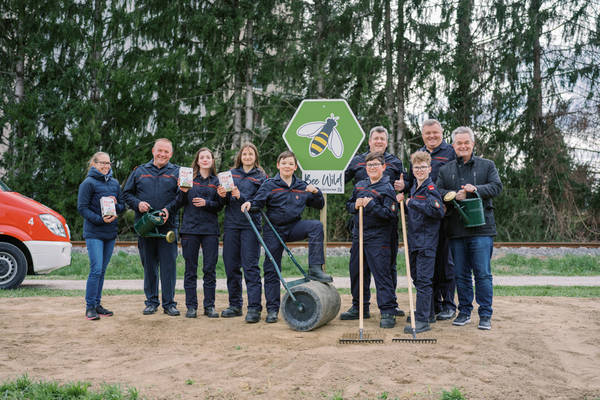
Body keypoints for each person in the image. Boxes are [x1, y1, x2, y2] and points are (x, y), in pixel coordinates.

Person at [241, 150, 332, 324]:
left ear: (295, 167)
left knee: (316, 226)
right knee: (272, 269)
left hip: (293, 227)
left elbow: (319, 204)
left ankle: (315, 268)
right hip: (273, 230)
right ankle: (272, 310)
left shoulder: (302, 185)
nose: (287, 166)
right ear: (278, 165)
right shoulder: (270, 184)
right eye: (284, 163)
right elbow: (258, 203)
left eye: (291, 163)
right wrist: (249, 204)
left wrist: (316, 192)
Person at [436, 127, 502, 330]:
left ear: (473, 144)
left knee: (483, 274)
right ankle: (464, 311)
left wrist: (476, 190)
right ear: (453, 145)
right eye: (459, 143)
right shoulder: (445, 170)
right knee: (461, 275)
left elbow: (496, 187)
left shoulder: (487, 165)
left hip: (482, 229)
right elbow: (438, 190)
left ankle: (485, 314)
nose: (463, 146)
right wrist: (452, 194)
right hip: (456, 230)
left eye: (466, 142)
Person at [345, 126, 407, 317]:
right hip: (361, 227)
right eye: (376, 138)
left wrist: (404, 187)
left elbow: (407, 185)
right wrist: (355, 205)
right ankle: (359, 307)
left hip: (384, 229)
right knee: (357, 270)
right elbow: (341, 183)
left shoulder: (395, 163)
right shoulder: (357, 168)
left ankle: (389, 307)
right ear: (370, 141)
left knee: (385, 268)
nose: (379, 141)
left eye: (382, 139)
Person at [123, 138, 181, 316]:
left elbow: (183, 197)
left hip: (168, 227)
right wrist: (138, 204)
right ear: (153, 151)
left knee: (168, 267)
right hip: (145, 226)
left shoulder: (178, 172)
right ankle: (151, 302)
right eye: (159, 150)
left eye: (166, 151)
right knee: (149, 266)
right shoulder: (139, 171)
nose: (162, 154)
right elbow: (126, 194)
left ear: (171, 154)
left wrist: (168, 209)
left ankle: (169, 304)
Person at [217, 143, 267, 323]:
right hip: (232, 226)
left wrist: (240, 197)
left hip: (250, 227)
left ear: (255, 157)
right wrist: (221, 195)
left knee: (250, 267)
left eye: (250, 154)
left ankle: (254, 308)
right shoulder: (230, 174)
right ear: (240, 156)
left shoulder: (261, 177)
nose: (247, 157)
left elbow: (260, 202)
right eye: (244, 154)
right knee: (231, 267)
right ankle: (235, 305)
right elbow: (222, 204)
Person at [415, 119, 457, 321]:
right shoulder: (419, 154)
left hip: (446, 215)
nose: (432, 136)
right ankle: (433, 305)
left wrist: (449, 198)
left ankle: (449, 304)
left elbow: (458, 178)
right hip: (426, 220)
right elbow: (413, 180)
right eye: (427, 133)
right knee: (428, 264)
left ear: (442, 133)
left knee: (446, 262)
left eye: (435, 133)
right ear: (422, 135)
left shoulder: (451, 152)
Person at [398, 151, 444, 334]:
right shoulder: (414, 188)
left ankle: (423, 320)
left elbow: (438, 211)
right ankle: (428, 312)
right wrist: (404, 203)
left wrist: (412, 203)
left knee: (424, 281)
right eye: (416, 167)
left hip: (426, 242)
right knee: (417, 278)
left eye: (423, 167)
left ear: (429, 169)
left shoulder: (430, 188)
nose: (420, 170)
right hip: (414, 241)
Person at [177, 147, 225, 319]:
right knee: (190, 270)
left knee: (209, 269)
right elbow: (179, 203)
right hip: (190, 229)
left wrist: (207, 203)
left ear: (212, 161)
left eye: (208, 157)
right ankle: (191, 307)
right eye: (202, 157)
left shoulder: (218, 181)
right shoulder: (188, 179)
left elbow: (220, 206)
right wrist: (182, 192)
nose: (205, 160)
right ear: (197, 161)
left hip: (210, 231)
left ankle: (209, 306)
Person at [77, 152, 125, 320]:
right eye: (102, 163)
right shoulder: (88, 183)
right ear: (94, 164)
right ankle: (90, 307)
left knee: (102, 271)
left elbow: (123, 206)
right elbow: (82, 208)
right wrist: (99, 219)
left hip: (110, 233)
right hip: (94, 233)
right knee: (96, 270)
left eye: (108, 163)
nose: (106, 166)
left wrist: (116, 204)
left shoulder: (114, 183)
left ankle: (97, 305)